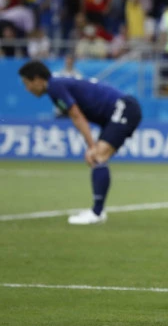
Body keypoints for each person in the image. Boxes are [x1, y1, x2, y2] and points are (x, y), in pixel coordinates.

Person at [18, 60, 142, 225]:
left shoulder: (54, 86)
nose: (27, 89)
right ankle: (98, 211)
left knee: (97, 156)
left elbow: (77, 116)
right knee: (96, 158)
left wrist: (92, 146)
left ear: (38, 79)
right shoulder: (56, 85)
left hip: (124, 108)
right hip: (119, 111)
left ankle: (96, 213)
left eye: (27, 83)